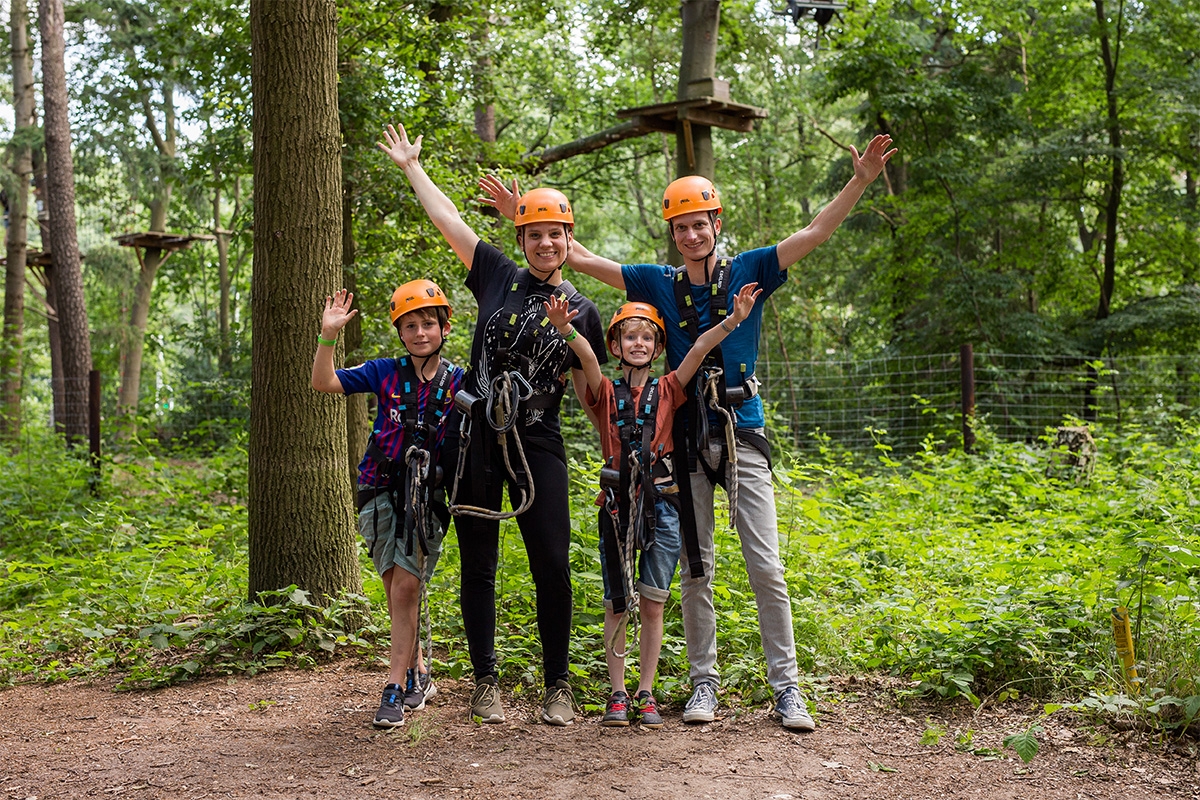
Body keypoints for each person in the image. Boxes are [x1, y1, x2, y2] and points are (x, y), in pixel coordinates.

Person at [480, 133, 896, 730]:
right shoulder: (656, 283)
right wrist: (520, 217)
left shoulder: (749, 269)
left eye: (700, 224)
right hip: (681, 441)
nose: (691, 235)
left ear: (716, 222)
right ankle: (705, 683)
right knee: (697, 565)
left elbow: (813, 236)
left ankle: (787, 688)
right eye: (682, 227)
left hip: (739, 431)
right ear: (672, 233)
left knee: (766, 564)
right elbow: (577, 258)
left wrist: (859, 181)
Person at [378, 124, 607, 726]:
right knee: (480, 564)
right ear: (521, 236)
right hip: (478, 434)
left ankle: (557, 685)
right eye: (534, 234)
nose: (545, 244)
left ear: (568, 237)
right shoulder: (496, 275)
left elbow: (592, 391)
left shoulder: (584, 308)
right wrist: (411, 167)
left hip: (538, 439)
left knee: (552, 564)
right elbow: (450, 220)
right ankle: (486, 683)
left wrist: (576, 342)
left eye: (555, 235)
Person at [545, 283, 759, 728]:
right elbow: (585, 357)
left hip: (661, 503)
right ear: (617, 345)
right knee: (617, 603)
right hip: (618, 505)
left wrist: (733, 320)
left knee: (653, 602)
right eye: (629, 337)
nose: (638, 344)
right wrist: (566, 329)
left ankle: (646, 692)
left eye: (646, 337)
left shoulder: (669, 388)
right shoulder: (603, 392)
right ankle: (617, 694)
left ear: (658, 346)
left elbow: (700, 348)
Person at [311, 280, 465, 729]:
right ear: (400, 332)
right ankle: (418, 671)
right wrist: (329, 335)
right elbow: (323, 382)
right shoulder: (384, 372)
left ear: (444, 327)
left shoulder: (459, 382)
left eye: (429, 324)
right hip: (377, 488)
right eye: (411, 325)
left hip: (427, 496)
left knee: (406, 587)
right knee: (394, 585)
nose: (421, 332)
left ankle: (394, 686)